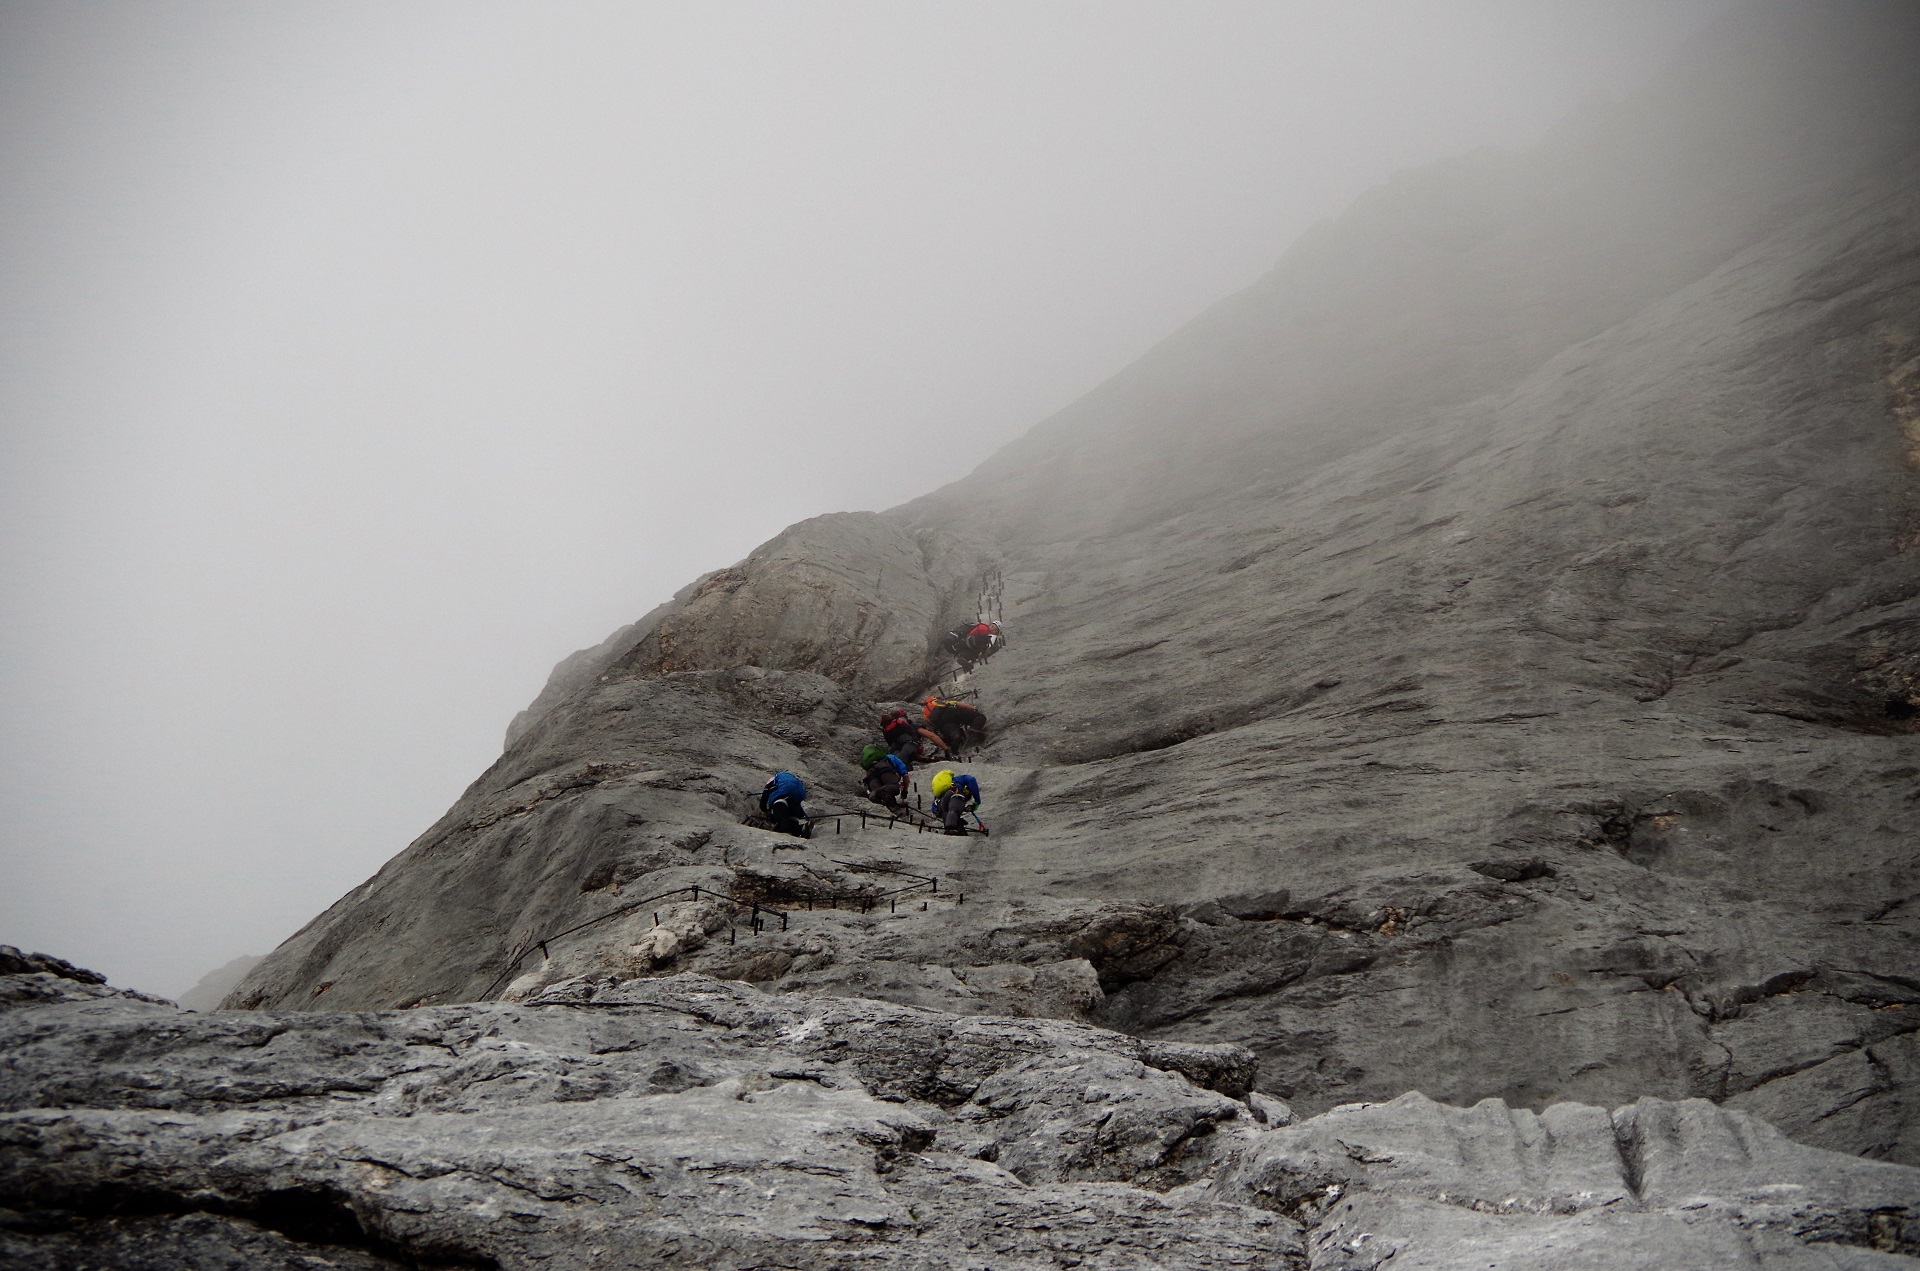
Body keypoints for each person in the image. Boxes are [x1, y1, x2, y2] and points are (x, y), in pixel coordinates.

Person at [923, 696, 988, 755]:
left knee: (954, 735)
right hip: (952, 712)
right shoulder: (940, 702)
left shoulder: (925, 714)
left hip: (942, 723)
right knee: (980, 717)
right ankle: (973, 729)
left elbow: (932, 725)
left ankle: (955, 747)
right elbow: (965, 706)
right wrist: (973, 709)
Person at [929, 768, 982, 836]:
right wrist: (977, 801)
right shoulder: (958, 780)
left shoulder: (941, 790)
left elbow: (934, 808)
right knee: (954, 809)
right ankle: (951, 829)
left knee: (947, 812)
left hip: (940, 804)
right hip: (954, 794)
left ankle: (955, 827)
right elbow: (971, 779)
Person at [758, 770, 810, 838]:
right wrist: (801, 814)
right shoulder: (793, 788)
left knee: (781, 820)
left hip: (780, 802)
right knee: (793, 823)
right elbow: (800, 812)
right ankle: (802, 828)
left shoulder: (770, 784)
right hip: (795, 804)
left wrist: (766, 811)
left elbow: (763, 802)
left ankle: (786, 831)